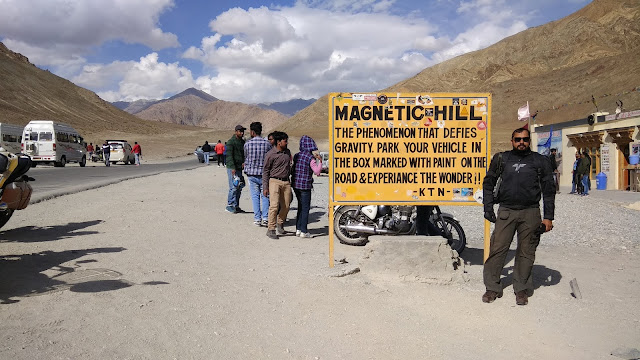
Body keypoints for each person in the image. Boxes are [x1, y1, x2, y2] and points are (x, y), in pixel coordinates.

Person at [482, 127, 556, 306]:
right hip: (506, 210)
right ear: (512, 141)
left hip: (530, 212)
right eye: (517, 139)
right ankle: (492, 287)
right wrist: (488, 206)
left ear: (529, 141)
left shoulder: (540, 161)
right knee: (497, 249)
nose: (521, 142)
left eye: (524, 139)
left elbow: (548, 190)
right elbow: (488, 182)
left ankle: (521, 289)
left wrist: (548, 217)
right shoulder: (502, 159)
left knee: (526, 251)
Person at [262, 131, 292, 239]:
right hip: (274, 181)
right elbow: (265, 171)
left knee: (286, 205)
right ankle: (271, 229)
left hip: (286, 182)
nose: (286, 143)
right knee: (274, 206)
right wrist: (265, 187)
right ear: (279, 142)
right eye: (285, 141)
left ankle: (280, 223)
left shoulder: (288, 152)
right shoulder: (270, 154)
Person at [291, 135, 322, 238]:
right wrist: (320, 161)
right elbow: (317, 172)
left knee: (300, 207)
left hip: (295, 184)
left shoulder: (296, 155)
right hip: (305, 185)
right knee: (305, 208)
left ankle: (298, 229)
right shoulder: (311, 158)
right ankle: (304, 231)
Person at [244, 122, 272, 226]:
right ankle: (265, 218)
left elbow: (246, 157)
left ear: (252, 132)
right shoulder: (267, 144)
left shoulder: (247, 144)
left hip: (252, 174)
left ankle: (257, 218)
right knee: (265, 196)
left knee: (255, 196)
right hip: (264, 174)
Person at [225, 125, 246, 213]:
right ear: (236, 131)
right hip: (232, 168)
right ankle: (229, 205)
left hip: (239, 168)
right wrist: (232, 167)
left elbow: (243, 154)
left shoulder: (242, 142)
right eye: (240, 131)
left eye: (242, 131)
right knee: (233, 187)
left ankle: (236, 205)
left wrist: (244, 162)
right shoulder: (231, 142)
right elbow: (229, 156)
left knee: (239, 186)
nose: (242, 133)